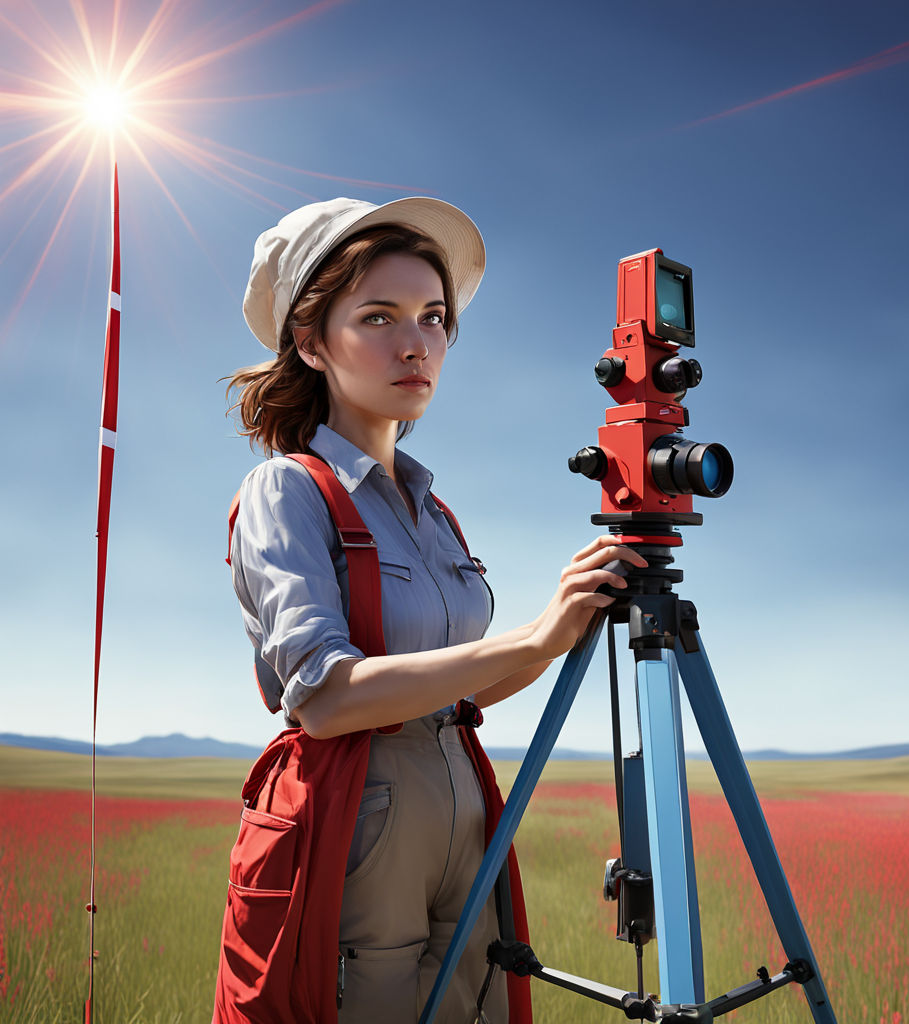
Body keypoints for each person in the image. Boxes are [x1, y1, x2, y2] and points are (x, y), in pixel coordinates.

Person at [213, 196, 646, 1024]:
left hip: (465, 806)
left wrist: (564, 624)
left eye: (434, 317)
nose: (417, 343)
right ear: (310, 342)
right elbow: (330, 697)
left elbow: (458, 695)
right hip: (358, 818)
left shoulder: (431, 510)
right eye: (379, 316)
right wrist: (531, 635)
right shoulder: (287, 490)